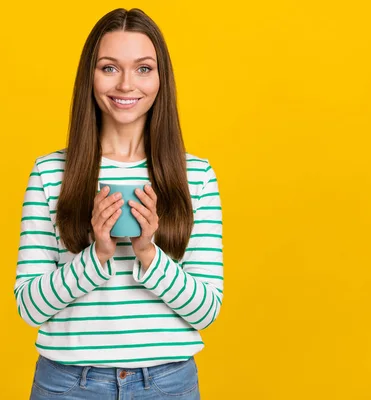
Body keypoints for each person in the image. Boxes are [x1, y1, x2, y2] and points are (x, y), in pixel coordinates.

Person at [14, 8, 223, 399]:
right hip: (67, 384)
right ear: (89, 78)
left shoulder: (196, 176)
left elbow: (206, 310)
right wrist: (98, 255)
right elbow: (30, 307)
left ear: (162, 79)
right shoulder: (49, 173)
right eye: (109, 68)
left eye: (143, 68)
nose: (127, 84)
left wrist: (148, 253)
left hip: (167, 384)